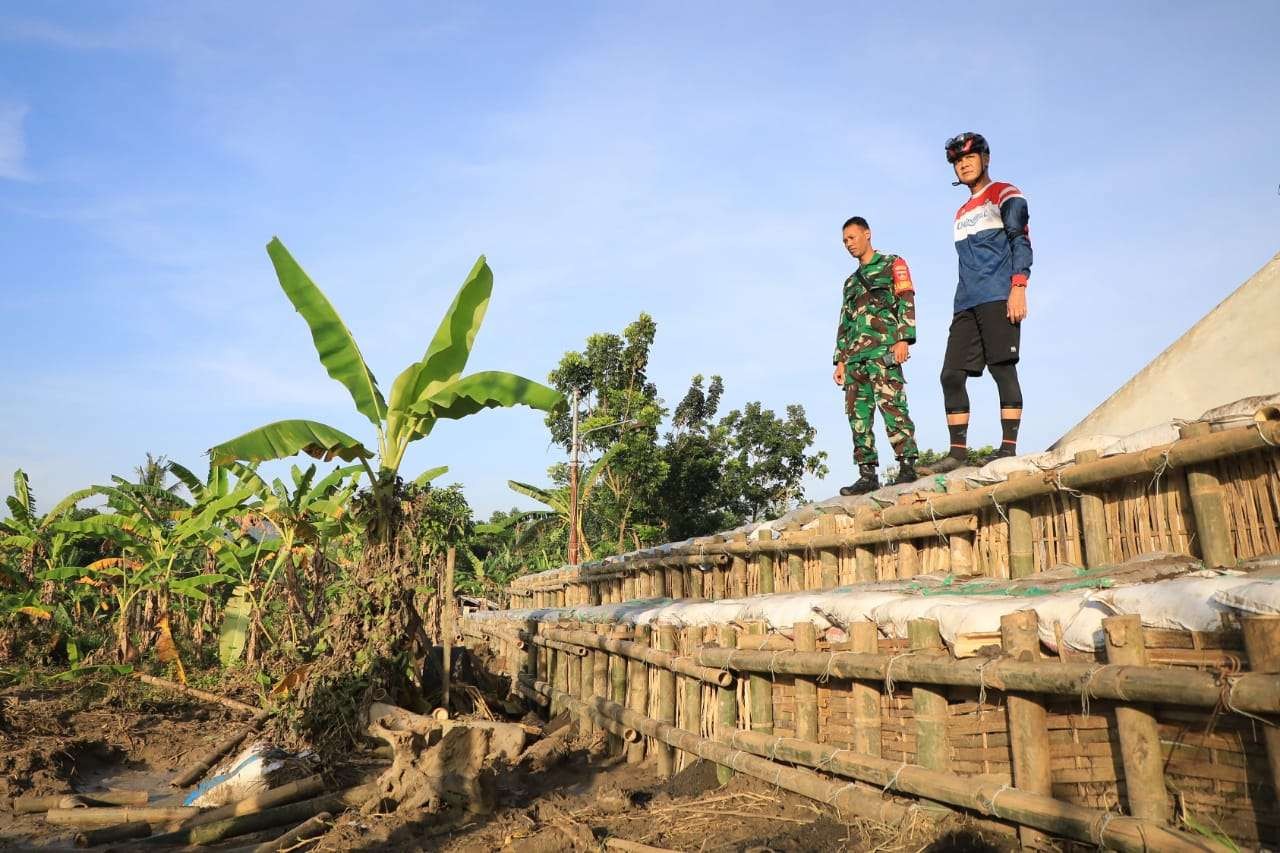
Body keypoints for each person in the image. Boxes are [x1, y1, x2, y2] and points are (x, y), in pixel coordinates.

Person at [928, 132, 1032, 474]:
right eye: (958, 160)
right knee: (951, 375)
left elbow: (1020, 240)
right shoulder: (960, 212)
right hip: (965, 303)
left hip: (998, 295)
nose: (964, 163)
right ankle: (957, 453)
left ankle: (1007, 448)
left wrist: (1019, 285)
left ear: (985, 158)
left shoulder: (1004, 193)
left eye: (971, 157)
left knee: (1002, 368)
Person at [832, 216, 920, 495]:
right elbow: (845, 321)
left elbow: (906, 299)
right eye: (845, 240)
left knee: (893, 408)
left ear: (867, 234)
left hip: (884, 352)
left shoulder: (892, 264)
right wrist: (841, 360)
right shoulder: (849, 283)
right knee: (858, 418)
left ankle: (907, 466)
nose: (848, 244)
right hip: (855, 359)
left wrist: (904, 338)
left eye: (852, 237)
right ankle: (867, 474)